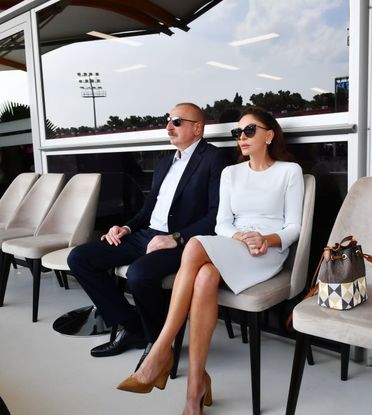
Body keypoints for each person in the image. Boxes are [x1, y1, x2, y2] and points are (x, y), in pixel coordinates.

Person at [116, 107, 304, 415]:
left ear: (269, 135)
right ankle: (195, 389)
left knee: (193, 246)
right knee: (204, 276)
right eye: (238, 132)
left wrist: (265, 239)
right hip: (234, 244)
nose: (242, 137)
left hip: (266, 252)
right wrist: (239, 237)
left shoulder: (289, 172)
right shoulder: (231, 173)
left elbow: (294, 227)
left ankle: (161, 350)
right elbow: (222, 223)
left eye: (250, 131)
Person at [67, 103, 228, 362]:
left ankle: (158, 344)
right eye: (168, 120)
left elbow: (215, 215)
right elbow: (148, 208)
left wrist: (175, 238)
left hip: (185, 242)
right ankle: (134, 328)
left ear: (198, 128)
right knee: (79, 258)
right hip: (148, 234)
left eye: (177, 121)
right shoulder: (164, 162)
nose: (169, 127)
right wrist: (126, 227)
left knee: (139, 274)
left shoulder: (213, 158)